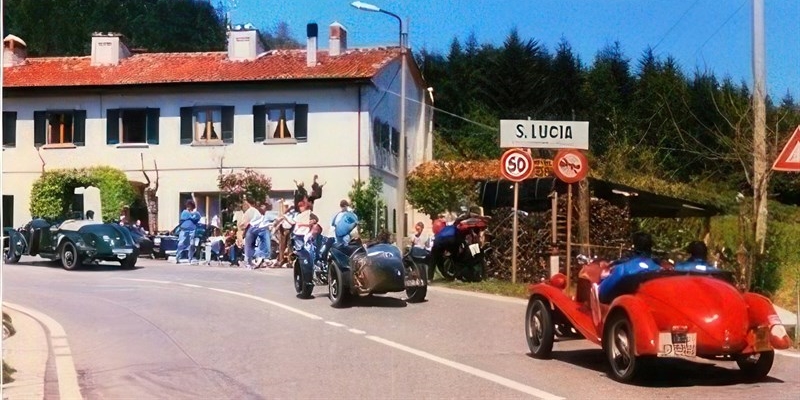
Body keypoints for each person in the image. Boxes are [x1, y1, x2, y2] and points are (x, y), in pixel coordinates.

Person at [597, 232, 662, 303]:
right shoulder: (661, 272)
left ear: (633, 247)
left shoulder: (622, 269)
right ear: (650, 247)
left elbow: (602, 294)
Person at [239, 197, 263, 269]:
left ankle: (249, 262)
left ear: (247, 203)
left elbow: (244, 224)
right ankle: (253, 261)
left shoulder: (250, 211)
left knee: (248, 247)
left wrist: (241, 227)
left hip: (250, 230)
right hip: (258, 230)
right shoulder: (257, 212)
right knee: (254, 246)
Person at [175, 200, 202, 264]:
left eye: (191, 206)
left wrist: (193, 215)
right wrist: (192, 216)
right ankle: (177, 257)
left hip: (192, 230)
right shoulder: (184, 212)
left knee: (192, 244)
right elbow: (185, 218)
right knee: (181, 243)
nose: (189, 207)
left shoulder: (196, 213)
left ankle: (190, 258)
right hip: (184, 229)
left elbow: (197, 218)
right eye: (188, 206)